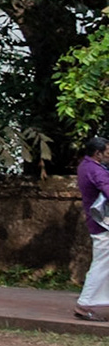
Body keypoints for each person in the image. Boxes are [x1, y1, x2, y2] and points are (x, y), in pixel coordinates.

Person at [79, 136, 109, 322]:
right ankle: (86, 303)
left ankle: (95, 302)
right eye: (108, 152)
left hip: (97, 222)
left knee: (103, 262)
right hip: (102, 223)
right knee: (101, 263)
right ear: (98, 154)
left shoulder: (85, 166)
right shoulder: (96, 171)